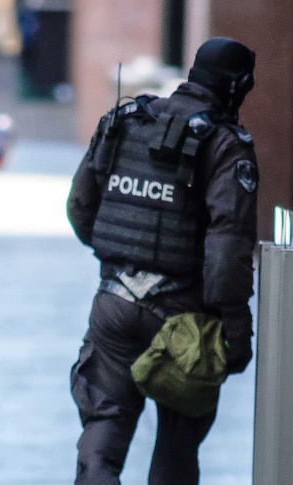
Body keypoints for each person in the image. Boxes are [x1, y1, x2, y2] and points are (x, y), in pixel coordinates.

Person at [66, 37, 259, 484]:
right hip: (183, 319)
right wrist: (235, 329)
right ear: (239, 86)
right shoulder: (226, 145)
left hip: (112, 305)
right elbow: (227, 250)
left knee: (104, 426)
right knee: (178, 439)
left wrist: (122, 259)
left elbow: (80, 209)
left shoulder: (127, 120)